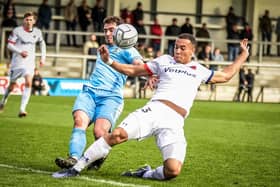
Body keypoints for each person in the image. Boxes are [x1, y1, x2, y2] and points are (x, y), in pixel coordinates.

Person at [52, 35, 249, 180]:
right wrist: (110, 61)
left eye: (182, 48)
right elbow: (134, 70)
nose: (177, 51)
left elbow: (225, 76)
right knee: (117, 135)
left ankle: (144, 173)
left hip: (175, 122)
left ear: (192, 50)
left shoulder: (199, 70)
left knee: (173, 170)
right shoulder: (163, 61)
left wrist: (242, 55)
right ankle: (75, 169)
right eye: (175, 47)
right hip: (154, 110)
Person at [54, 16, 157, 171]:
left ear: (120, 31)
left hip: (111, 97)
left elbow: (138, 64)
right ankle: (73, 158)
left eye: (111, 30)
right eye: (105, 30)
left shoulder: (128, 49)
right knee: (79, 121)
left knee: (99, 132)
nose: (108, 33)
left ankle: (101, 155)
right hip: (89, 92)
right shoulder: (104, 47)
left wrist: (148, 74)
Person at [0, 12, 46, 117]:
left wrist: (43, 58)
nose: (29, 22)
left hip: (29, 63)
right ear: (23, 20)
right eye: (27, 20)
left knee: (29, 83)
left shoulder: (38, 32)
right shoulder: (17, 31)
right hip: (17, 63)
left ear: (34, 21)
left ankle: (22, 109)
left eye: (31, 20)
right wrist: (20, 52)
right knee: (11, 86)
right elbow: (9, 45)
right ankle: (3, 101)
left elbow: (42, 44)